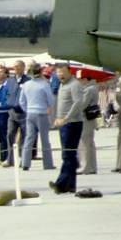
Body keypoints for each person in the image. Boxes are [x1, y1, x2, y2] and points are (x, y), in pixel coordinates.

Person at [50, 65, 87, 194]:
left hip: (72, 123)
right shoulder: (62, 85)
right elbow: (61, 103)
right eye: (58, 73)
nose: (61, 75)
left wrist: (65, 118)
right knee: (68, 155)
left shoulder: (74, 84)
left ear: (69, 72)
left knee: (68, 154)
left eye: (63, 72)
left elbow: (78, 103)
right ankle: (70, 185)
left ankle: (60, 184)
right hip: (63, 123)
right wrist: (57, 118)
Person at [19, 64, 55, 172]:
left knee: (29, 138)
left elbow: (21, 101)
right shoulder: (44, 85)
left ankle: (25, 163)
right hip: (42, 113)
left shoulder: (26, 85)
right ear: (40, 72)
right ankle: (48, 164)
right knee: (45, 139)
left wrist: (27, 109)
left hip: (30, 112)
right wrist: (48, 107)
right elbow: (51, 100)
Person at [78, 75, 100, 175]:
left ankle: (85, 166)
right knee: (90, 143)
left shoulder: (88, 90)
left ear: (86, 79)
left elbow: (83, 104)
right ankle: (92, 166)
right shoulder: (93, 88)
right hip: (90, 118)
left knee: (85, 143)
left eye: (80, 79)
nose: (79, 81)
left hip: (85, 118)